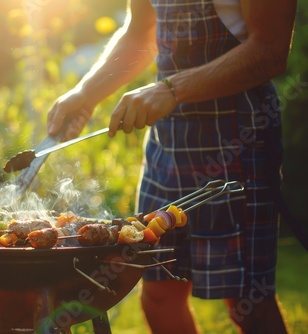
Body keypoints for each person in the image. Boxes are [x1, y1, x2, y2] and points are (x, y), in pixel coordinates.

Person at [47, 0, 297, 333]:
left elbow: (269, 50)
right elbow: (140, 33)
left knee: (248, 304)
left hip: (237, 138)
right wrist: (85, 93)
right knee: (159, 296)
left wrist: (173, 88)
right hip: (168, 141)